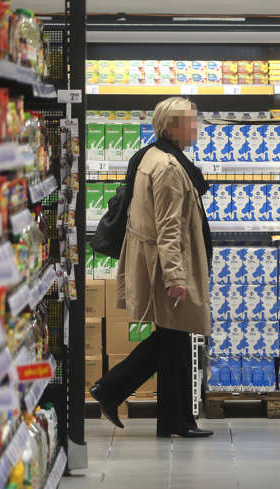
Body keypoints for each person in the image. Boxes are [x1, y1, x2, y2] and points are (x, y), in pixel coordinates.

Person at [90, 97, 213, 438]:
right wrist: (175, 277)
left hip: (156, 261)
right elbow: (168, 228)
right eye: (191, 121)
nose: (196, 127)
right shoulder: (169, 168)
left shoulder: (152, 155)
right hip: (165, 266)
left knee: (173, 341)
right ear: (172, 127)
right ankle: (120, 393)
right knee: (174, 339)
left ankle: (169, 418)